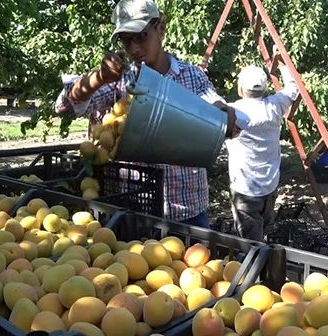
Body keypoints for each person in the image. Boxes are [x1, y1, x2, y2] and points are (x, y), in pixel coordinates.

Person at [55, 0, 237, 228]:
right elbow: (64, 108)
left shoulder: (191, 77)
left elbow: (217, 108)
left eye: (141, 36)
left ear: (160, 29)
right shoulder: (120, 81)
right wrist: (98, 78)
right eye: (126, 40)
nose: (134, 49)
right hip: (136, 211)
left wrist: (224, 113)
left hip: (187, 212)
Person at [226, 56, 299, 241]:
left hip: (245, 189)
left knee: (250, 243)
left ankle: (256, 268)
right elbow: (293, 88)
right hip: (269, 186)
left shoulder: (233, 113)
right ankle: (262, 263)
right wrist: (282, 63)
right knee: (262, 231)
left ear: (240, 89)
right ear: (264, 88)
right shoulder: (274, 106)